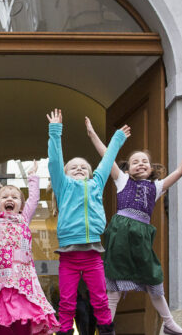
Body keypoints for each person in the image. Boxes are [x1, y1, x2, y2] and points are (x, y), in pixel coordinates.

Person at [86, 117, 182, 335]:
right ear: (127, 168)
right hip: (119, 237)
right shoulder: (122, 180)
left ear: (150, 168)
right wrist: (92, 133)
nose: (140, 164)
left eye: (144, 161)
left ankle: (169, 324)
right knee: (114, 285)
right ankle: (106, 329)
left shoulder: (156, 187)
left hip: (141, 240)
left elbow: (180, 171)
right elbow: (105, 155)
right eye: (135, 161)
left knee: (153, 279)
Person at [47, 109, 129, 335]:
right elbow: (55, 161)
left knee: (100, 299)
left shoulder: (96, 183)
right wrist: (55, 132)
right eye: (73, 167)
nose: (79, 168)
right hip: (69, 256)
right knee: (67, 301)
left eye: (84, 166)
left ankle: (106, 331)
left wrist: (117, 139)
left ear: (91, 173)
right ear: (65, 173)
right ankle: (64, 331)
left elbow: (107, 160)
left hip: (92, 253)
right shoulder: (62, 185)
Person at [0, 161, 60, 334]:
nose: (9, 199)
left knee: (22, 319)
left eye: (14, 197)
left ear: (22, 206)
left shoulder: (23, 218)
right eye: (5, 197)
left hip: (20, 280)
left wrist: (32, 177)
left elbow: (34, 199)